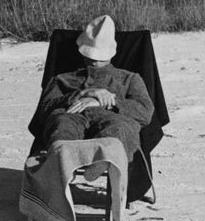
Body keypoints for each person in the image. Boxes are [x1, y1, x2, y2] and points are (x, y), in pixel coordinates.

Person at [37, 14, 153, 160]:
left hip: (114, 120)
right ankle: (63, 161)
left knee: (117, 130)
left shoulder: (129, 78)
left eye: (100, 57)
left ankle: (102, 160)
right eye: (91, 56)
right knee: (63, 128)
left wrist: (108, 102)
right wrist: (81, 94)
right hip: (70, 117)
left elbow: (145, 111)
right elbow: (43, 110)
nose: (95, 61)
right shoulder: (63, 79)